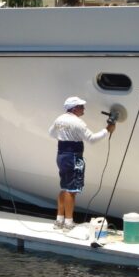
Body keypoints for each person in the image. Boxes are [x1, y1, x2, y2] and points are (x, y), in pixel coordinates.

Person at [48, 96, 115, 231]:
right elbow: (92, 139)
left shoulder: (59, 119)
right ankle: (68, 223)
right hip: (74, 157)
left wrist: (65, 137)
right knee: (72, 191)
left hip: (61, 155)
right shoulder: (78, 122)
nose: (84, 109)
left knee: (65, 187)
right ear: (74, 108)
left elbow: (51, 133)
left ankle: (59, 221)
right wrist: (107, 129)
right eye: (81, 106)